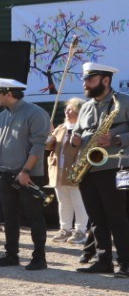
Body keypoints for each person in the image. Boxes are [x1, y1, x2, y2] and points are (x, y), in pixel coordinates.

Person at [0, 78, 52, 271]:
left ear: (8, 93)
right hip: (4, 173)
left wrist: (25, 171)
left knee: (34, 216)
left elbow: (39, 146)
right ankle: (11, 254)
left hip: (27, 175)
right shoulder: (2, 116)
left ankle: (39, 257)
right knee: (10, 216)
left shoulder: (35, 113)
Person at [69, 62, 129, 277]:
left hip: (116, 166)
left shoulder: (123, 102)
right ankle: (103, 260)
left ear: (105, 80)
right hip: (88, 168)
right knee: (96, 217)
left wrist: (116, 137)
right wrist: (74, 139)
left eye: (90, 79)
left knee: (117, 216)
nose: (85, 84)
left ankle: (126, 263)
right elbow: (76, 135)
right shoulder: (85, 106)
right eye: (85, 79)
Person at [47, 99, 90, 244]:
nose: (67, 111)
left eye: (70, 109)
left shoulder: (84, 128)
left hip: (75, 171)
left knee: (78, 202)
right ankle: (65, 229)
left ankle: (81, 231)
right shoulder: (61, 127)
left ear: (79, 111)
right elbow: (48, 147)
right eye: (66, 109)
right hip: (57, 170)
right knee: (63, 202)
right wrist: (47, 136)